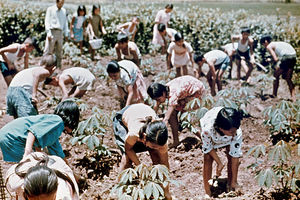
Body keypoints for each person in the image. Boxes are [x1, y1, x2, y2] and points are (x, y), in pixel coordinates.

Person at [113, 103, 172, 200]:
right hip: (124, 117)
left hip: (144, 112)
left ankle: (157, 191)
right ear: (144, 137)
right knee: (127, 159)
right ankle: (120, 192)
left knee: (156, 156)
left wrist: (166, 191)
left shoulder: (161, 140)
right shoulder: (134, 134)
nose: (156, 148)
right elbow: (128, 149)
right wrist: (141, 167)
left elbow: (164, 165)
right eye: (153, 146)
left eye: (158, 146)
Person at [0, 100, 80, 163]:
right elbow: (32, 132)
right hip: (12, 137)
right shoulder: (58, 121)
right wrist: (27, 154)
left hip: (8, 134)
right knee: (25, 169)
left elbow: (60, 155)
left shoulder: (54, 131)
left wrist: (74, 175)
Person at [147, 75, 206, 147]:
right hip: (189, 90)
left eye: (158, 99)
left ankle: (204, 139)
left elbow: (166, 119)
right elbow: (156, 105)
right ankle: (176, 141)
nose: (158, 101)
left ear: (163, 93)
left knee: (186, 119)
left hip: (197, 92)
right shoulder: (165, 89)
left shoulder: (173, 94)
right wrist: (152, 116)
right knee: (173, 115)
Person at [200, 107, 243, 198]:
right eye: (230, 131)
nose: (233, 132)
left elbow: (235, 156)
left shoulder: (236, 132)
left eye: (234, 129)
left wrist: (234, 181)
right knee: (207, 157)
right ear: (221, 128)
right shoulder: (207, 130)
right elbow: (208, 148)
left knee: (230, 155)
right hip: (213, 137)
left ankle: (231, 185)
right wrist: (219, 163)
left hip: (227, 137)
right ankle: (208, 191)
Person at [5, 152, 79, 200]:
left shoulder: (64, 194)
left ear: (55, 193)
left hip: (56, 163)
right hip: (33, 160)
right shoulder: (16, 182)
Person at [6, 54, 57, 118]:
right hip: (20, 92)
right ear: (53, 68)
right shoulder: (46, 71)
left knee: (19, 120)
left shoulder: (33, 69)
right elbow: (36, 75)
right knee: (28, 120)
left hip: (11, 90)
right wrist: (34, 95)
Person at [260, 35, 296, 101]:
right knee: (288, 78)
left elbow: (276, 59)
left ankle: (274, 94)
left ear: (265, 41)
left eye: (263, 44)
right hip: (293, 56)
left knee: (275, 75)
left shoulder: (269, 46)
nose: (265, 46)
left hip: (286, 57)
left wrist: (270, 60)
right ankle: (293, 98)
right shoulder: (276, 43)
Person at [44, 0, 69, 69]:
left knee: (59, 51)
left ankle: (58, 67)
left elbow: (65, 23)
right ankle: (45, 66)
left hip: (60, 32)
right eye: (60, 3)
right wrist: (48, 33)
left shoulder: (64, 11)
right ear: (57, 2)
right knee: (48, 50)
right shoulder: (50, 9)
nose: (61, 5)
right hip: (52, 31)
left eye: (63, 3)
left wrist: (66, 33)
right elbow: (47, 21)